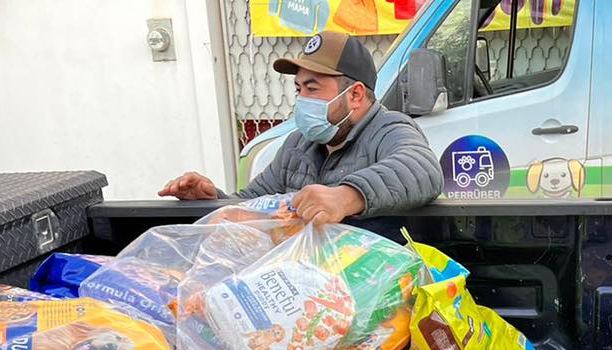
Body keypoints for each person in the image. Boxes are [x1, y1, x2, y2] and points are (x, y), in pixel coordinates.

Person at [158, 32, 442, 224]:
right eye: (298, 89)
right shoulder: (297, 145)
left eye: (312, 88)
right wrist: (215, 200)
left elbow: (422, 170)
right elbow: (253, 203)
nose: (302, 100)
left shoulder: (389, 129)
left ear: (355, 95)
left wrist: (346, 196)